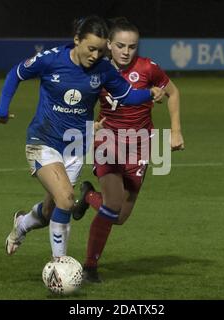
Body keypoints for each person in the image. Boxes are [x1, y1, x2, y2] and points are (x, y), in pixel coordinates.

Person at [0, 15, 165, 260]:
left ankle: (22, 224)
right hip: (43, 141)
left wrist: (149, 93)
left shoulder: (103, 69)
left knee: (49, 209)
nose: (95, 55)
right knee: (66, 199)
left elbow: (126, 96)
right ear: (77, 40)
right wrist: (2, 108)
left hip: (76, 146)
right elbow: (16, 73)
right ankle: (60, 265)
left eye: (100, 50)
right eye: (91, 48)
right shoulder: (51, 59)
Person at [71, 17, 185, 282]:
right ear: (108, 44)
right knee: (112, 203)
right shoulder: (94, 70)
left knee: (120, 217)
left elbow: (174, 93)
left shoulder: (148, 69)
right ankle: (90, 268)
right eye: (120, 45)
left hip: (140, 146)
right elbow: (79, 103)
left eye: (132, 46)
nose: (126, 51)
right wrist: (91, 126)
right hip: (108, 142)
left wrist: (176, 130)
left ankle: (88, 195)